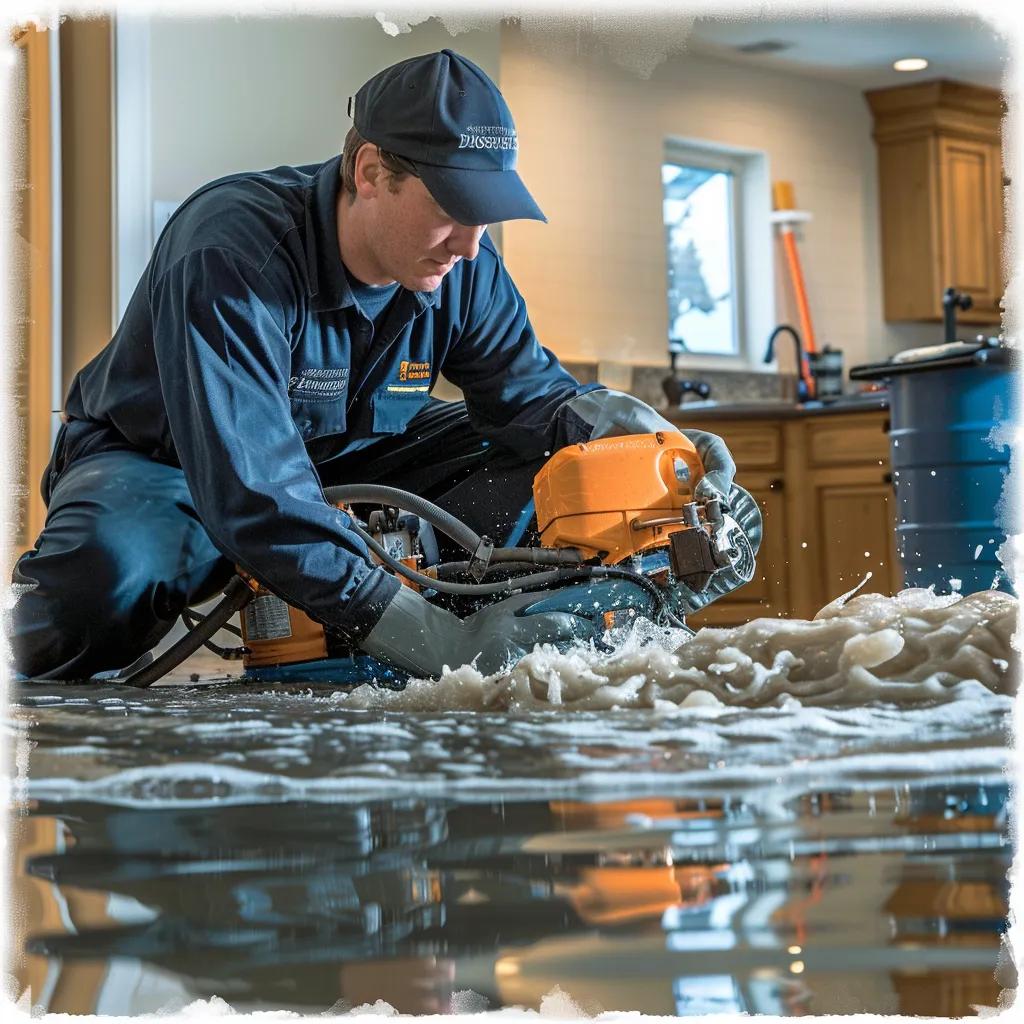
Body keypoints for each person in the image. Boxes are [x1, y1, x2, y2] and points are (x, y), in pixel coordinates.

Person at [10, 49, 737, 682]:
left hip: (352, 460)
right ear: (368, 172)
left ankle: (543, 626)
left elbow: (533, 402)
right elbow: (256, 490)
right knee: (99, 587)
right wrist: (438, 642)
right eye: (453, 208)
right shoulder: (231, 251)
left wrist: (655, 454)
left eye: (486, 214)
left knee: (553, 466)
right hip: (171, 467)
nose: (470, 245)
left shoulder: (464, 264)